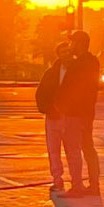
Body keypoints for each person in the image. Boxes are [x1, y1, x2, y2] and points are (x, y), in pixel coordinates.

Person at [58, 30, 101, 198]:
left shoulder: (80, 64)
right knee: (87, 147)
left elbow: (72, 89)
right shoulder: (91, 62)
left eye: (72, 43)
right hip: (86, 112)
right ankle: (93, 184)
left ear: (80, 44)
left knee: (75, 149)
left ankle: (79, 186)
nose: (70, 46)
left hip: (77, 113)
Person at [36, 41, 73, 192]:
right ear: (58, 55)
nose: (67, 54)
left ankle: (76, 180)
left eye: (68, 51)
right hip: (53, 117)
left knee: (72, 150)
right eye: (63, 52)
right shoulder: (50, 73)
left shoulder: (77, 71)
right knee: (53, 150)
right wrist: (47, 109)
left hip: (71, 117)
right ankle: (57, 179)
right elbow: (40, 94)